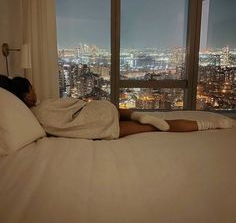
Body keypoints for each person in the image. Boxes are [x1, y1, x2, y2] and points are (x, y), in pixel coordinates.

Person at [3, 76, 232, 138]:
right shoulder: (48, 103)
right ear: (28, 94)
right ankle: (136, 114)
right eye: (33, 89)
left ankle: (211, 124)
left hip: (97, 127)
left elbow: (58, 130)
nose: (36, 92)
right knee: (125, 112)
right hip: (100, 110)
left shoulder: (34, 120)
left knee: (162, 126)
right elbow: (76, 103)